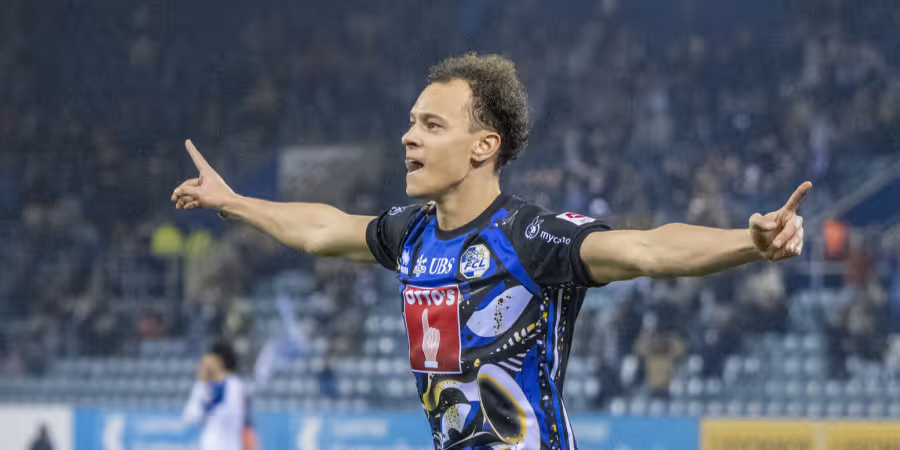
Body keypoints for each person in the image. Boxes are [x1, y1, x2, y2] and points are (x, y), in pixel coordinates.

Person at [171, 53, 809, 450]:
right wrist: (234, 203)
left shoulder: (529, 237)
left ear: (484, 146)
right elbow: (322, 229)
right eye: (411, 122)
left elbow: (646, 248)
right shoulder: (410, 233)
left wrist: (748, 243)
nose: (408, 136)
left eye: (432, 125)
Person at [182, 341, 250, 450]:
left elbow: (192, 416)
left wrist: (203, 384)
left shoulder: (232, 385)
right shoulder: (232, 384)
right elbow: (190, 416)